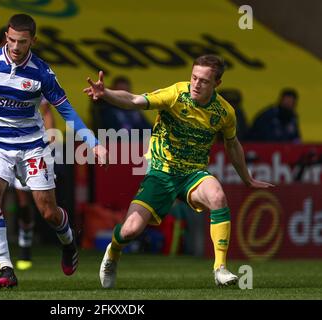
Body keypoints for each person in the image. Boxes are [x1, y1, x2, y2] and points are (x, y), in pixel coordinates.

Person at [0, 13, 107, 289]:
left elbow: (67, 112)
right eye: (12, 40)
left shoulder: (42, 74)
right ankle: (6, 268)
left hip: (32, 147)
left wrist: (93, 143)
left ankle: (68, 242)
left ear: (33, 41)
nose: (16, 47)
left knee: (48, 212)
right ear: (6, 36)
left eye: (23, 42)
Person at [84, 54, 274, 288]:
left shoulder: (225, 113)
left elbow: (232, 144)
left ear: (217, 84)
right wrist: (107, 94)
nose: (196, 84)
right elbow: (134, 100)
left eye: (204, 81)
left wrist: (247, 178)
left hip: (193, 174)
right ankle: (113, 252)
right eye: (194, 77)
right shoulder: (175, 94)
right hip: (161, 172)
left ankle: (220, 268)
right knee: (131, 230)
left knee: (217, 196)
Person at [0, 98, 55, 272]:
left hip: (28, 148)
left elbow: (46, 112)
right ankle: (0, 254)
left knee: (24, 204)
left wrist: (50, 143)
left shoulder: (35, 75)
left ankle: (25, 248)